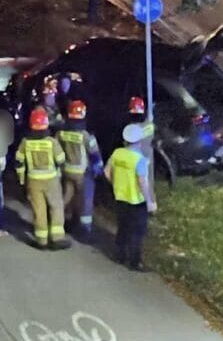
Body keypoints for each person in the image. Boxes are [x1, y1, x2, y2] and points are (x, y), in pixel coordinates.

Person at [14, 107, 70, 250]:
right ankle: (57, 238)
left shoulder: (25, 142)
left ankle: (41, 240)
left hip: (33, 180)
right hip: (51, 180)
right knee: (56, 207)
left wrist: (21, 179)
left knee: (38, 210)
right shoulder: (51, 142)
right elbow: (61, 159)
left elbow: (19, 162)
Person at [104, 123, 157, 271]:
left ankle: (119, 256)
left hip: (120, 197)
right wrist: (149, 202)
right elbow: (142, 183)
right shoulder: (139, 159)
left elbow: (107, 172)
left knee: (123, 227)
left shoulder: (117, 153)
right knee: (137, 232)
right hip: (136, 201)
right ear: (139, 141)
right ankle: (135, 262)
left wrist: (116, 184)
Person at [57, 100, 103, 242]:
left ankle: (58, 222)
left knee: (66, 197)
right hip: (82, 173)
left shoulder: (61, 133)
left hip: (67, 170)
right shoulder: (86, 135)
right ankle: (84, 230)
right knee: (85, 200)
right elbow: (95, 155)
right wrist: (99, 169)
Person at [127, 95, 156, 189]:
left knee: (139, 185)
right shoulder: (149, 124)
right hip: (148, 156)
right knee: (149, 183)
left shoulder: (131, 128)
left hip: (137, 159)